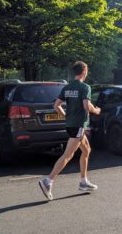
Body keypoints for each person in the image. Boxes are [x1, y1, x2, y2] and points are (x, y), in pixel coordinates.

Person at [39, 61, 101, 200]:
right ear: (84, 70)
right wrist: (96, 110)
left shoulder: (67, 87)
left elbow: (56, 105)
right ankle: (48, 181)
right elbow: (86, 105)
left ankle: (83, 181)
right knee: (68, 155)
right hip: (79, 125)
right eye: (87, 70)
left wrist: (66, 116)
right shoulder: (85, 87)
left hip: (72, 125)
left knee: (86, 150)